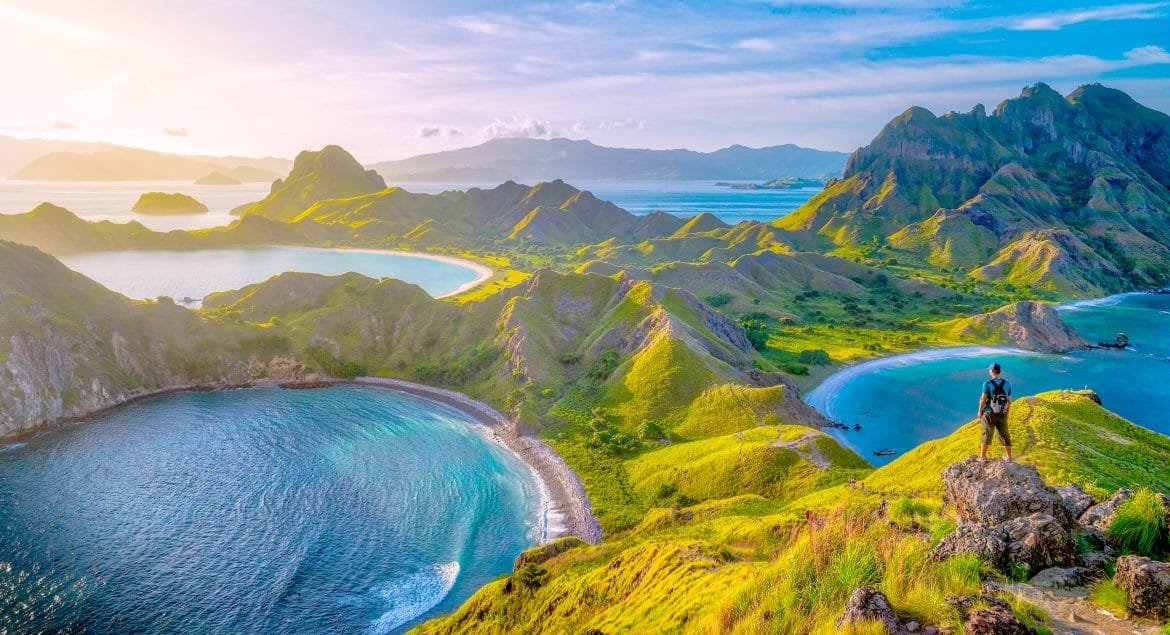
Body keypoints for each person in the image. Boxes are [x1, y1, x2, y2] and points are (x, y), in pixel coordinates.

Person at [978, 362, 1013, 461]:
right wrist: (1006, 413)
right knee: (1004, 434)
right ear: (1000, 371)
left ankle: (983, 457)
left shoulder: (987, 384)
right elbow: (1009, 401)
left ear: (991, 371)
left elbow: (983, 399)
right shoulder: (1007, 384)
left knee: (987, 433)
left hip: (989, 413)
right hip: (1002, 413)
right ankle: (1009, 457)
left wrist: (979, 411)